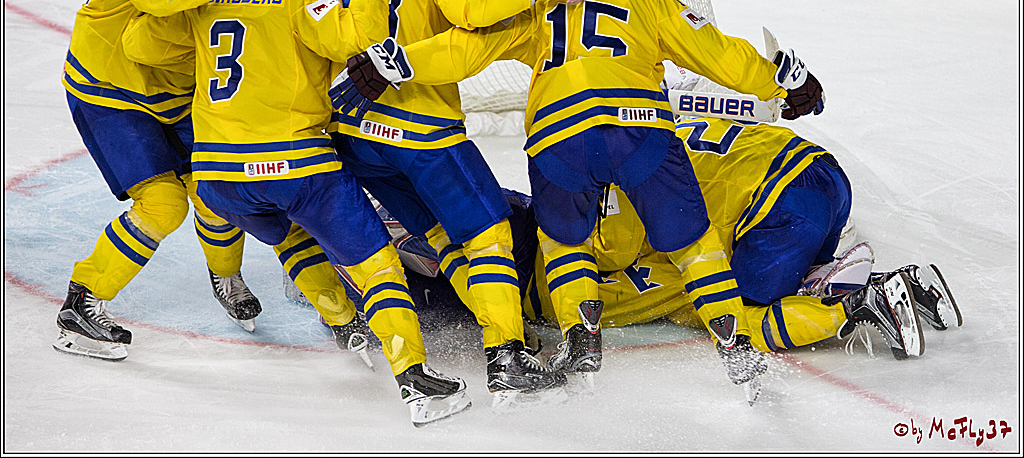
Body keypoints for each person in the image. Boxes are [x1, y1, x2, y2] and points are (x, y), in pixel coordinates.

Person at [331, 0, 827, 385]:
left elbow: (464, 49)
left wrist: (394, 61)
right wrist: (779, 84)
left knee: (564, 242)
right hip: (642, 130)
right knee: (694, 244)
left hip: (560, 136)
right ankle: (734, 342)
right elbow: (717, 53)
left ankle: (580, 339)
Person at [315, 118, 959, 404]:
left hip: (782, 203)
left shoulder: (588, 238)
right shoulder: (600, 173)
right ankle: (847, 286)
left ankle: (853, 303)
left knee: (748, 310)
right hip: (810, 174)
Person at [123, 0, 470, 426]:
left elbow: (139, 43)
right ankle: (415, 380)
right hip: (296, 167)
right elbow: (359, 39)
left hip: (219, 179)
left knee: (292, 239)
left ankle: (343, 323)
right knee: (375, 262)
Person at [319, 0, 591, 403]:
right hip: (421, 133)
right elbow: (474, 8)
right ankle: (507, 355)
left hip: (351, 128)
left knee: (442, 239)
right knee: (490, 234)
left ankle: (505, 330)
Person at [55, 0, 271, 361]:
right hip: (113, 93)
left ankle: (226, 276)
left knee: (216, 185)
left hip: (173, 88)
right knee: (164, 204)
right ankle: (81, 304)